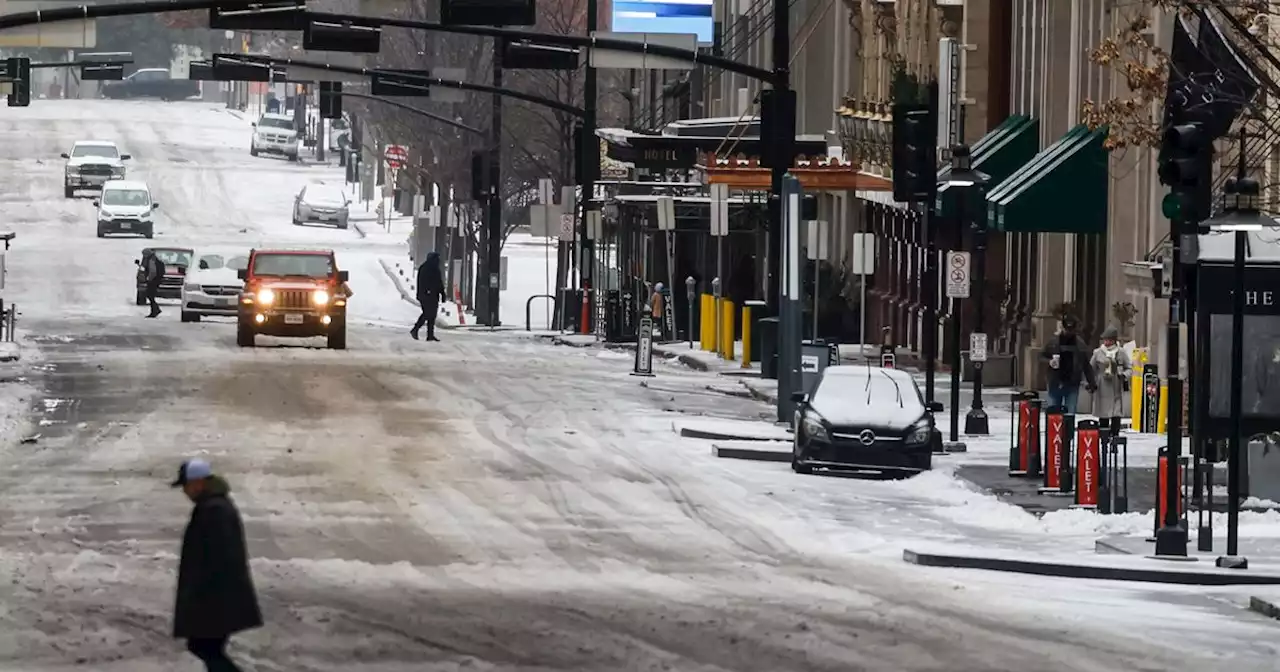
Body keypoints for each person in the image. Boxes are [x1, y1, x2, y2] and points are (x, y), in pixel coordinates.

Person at [172, 458, 261, 672]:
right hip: (217, 599)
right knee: (205, 648)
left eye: (187, 485)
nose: (185, 491)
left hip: (217, 599)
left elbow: (218, 559)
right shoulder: (213, 506)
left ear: (200, 482)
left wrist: (201, 598)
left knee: (205, 648)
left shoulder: (214, 510)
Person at [1040, 315, 1098, 414]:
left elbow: (1086, 365)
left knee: (1070, 413)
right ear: (1062, 327)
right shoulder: (1053, 342)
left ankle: (1068, 429)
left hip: (1072, 383)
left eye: (1071, 330)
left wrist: (1091, 382)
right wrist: (1049, 361)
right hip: (1055, 382)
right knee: (1054, 414)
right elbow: (1041, 357)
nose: (1069, 332)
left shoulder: (1080, 344)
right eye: (1067, 329)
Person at [1091, 325, 1131, 437]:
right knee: (1103, 414)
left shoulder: (1121, 352)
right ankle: (1103, 439)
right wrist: (1092, 382)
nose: (1106, 342)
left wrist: (1123, 375)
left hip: (1116, 386)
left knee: (1116, 414)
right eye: (1105, 340)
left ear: (1114, 340)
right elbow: (1091, 368)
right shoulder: (1098, 352)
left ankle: (1115, 438)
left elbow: (1129, 368)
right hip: (1102, 387)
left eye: (1109, 340)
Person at [411, 251, 446, 341]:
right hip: (425, 295)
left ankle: (430, 335)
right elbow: (422, 282)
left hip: (434, 296)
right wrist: (426, 291)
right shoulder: (425, 268)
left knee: (432, 315)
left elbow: (439, 283)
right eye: (437, 259)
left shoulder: (436, 269)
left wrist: (442, 294)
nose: (438, 261)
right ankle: (415, 329)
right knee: (427, 313)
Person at [141, 249, 165, 318]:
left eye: (144, 254)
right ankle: (155, 310)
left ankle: (155, 310)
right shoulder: (154, 258)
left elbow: (153, 271)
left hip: (154, 280)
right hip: (156, 280)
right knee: (150, 295)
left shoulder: (151, 260)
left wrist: (149, 279)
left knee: (150, 295)